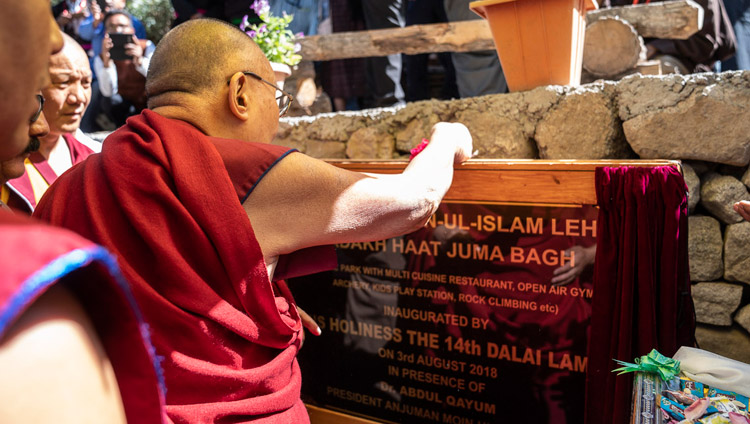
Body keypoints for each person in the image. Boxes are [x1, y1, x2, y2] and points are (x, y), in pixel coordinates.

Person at [35, 18, 473, 423]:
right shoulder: (240, 170)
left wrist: (245, 296)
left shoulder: (69, 188)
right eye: (277, 98)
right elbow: (413, 202)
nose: (279, 120)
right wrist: (446, 138)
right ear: (240, 92)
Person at [0, 1, 166, 422]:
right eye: (55, 83)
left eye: (87, 82)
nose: (78, 97)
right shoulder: (33, 309)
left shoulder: (100, 157)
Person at [5, 33, 100, 214]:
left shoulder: (93, 155)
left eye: (86, 83)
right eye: (63, 83)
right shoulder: (7, 162)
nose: (79, 97)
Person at [94, 10, 155, 126]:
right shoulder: (101, 58)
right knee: (109, 100)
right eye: (111, 27)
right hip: (124, 107)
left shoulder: (146, 47)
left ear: (132, 30)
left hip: (149, 104)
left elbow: (159, 78)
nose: (117, 30)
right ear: (106, 32)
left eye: (122, 26)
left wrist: (140, 61)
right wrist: (107, 65)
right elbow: (108, 92)